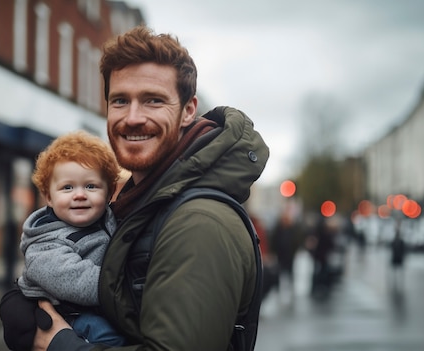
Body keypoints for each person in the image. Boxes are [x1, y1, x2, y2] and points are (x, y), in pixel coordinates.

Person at [27, 25, 269, 351]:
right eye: (120, 101)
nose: (133, 117)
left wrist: (59, 345)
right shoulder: (138, 204)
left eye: (153, 100)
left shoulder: (199, 223)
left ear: (188, 110)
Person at [2, 131, 125, 349]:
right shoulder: (44, 242)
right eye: (67, 187)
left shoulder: (108, 220)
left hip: (93, 306)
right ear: (49, 197)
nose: (79, 194)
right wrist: (125, 285)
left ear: (109, 193)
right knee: (109, 338)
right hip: (68, 314)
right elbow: (76, 280)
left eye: (91, 186)